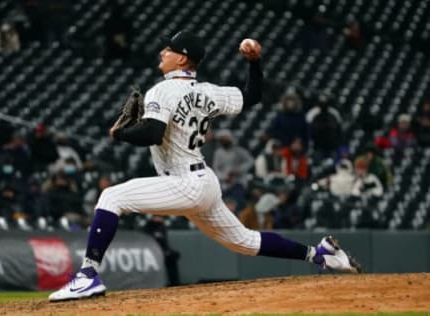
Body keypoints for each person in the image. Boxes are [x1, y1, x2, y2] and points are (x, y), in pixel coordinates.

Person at [49, 31, 360, 301]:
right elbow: (252, 96)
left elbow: (152, 133)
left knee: (111, 198)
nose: (162, 52)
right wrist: (254, 63)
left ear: (183, 59)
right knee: (245, 242)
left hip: (184, 182)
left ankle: (88, 275)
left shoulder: (163, 90)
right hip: (204, 183)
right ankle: (320, 255)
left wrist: (121, 133)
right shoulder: (210, 91)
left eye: (169, 49)